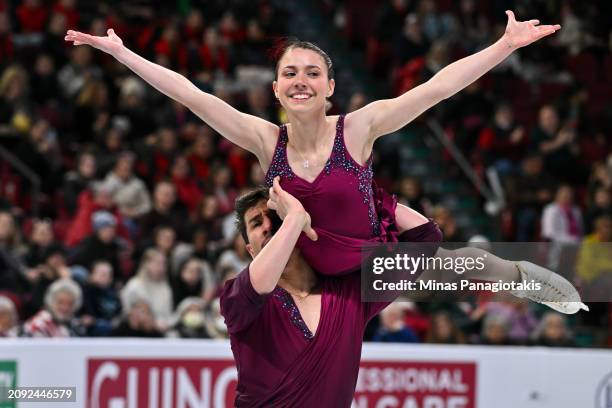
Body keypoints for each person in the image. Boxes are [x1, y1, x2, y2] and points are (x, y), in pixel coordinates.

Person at [65, 13, 586, 313]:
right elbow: (193, 96)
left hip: (374, 269)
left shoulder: (357, 129)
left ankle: (527, 275)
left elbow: (437, 88)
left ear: (330, 87)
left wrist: (504, 44)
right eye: (290, 72)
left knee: (469, 265)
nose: (301, 80)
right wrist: (123, 55)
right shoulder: (265, 140)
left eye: (313, 72)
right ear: (275, 88)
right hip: (314, 286)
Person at [220, 183, 442, 406]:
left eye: (275, 217)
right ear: (250, 250)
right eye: (257, 224)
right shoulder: (236, 297)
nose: (268, 226)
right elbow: (259, 284)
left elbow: (425, 237)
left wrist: (358, 193)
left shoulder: (350, 292)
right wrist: (294, 217)